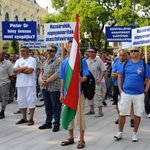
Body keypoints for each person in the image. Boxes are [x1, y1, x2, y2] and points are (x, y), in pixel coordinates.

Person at [114, 46, 150, 142]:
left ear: (139, 53)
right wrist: (120, 90)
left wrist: (145, 92)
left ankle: (135, 133)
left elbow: (149, 79)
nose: (133, 52)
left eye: (135, 51)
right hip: (126, 93)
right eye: (131, 51)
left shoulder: (144, 65)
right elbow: (120, 76)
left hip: (139, 94)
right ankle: (120, 132)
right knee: (122, 113)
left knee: (138, 114)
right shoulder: (126, 64)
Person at [59, 40, 89, 148]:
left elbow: (86, 75)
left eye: (75, 47)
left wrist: (82, 79)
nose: (72, 49)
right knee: (68, 115)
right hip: (67, 95)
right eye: (70, 46)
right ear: (67, 48)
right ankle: (70, 137)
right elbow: (62, 79)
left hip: (78, 94)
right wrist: (62, 93)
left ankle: (81, 139)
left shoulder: (82, 62)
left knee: (79, 117)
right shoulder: (64, 62)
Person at [39, 45, 62, 132]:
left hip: (54, 88)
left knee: (55, 106)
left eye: (51, 51)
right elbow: (41, 72)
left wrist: (47, 81)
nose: (49, 52)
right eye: (48, 50)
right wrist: (41, 80)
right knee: (47, 106)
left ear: (55, 52)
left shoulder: (58, 61)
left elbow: (57, 74)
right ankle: (48, 122)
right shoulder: (45, 62)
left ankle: (56, 123)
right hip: (44, 88)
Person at [13, 46, 37, 126]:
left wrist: (20, 69)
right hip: (20, 84)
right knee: (21, 101)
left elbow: (30, 71)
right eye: (21, 51)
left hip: (29, 84)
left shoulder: (32, 60)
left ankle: (31, 118)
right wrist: (24, 68)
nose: (22, 52)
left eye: (23, 51)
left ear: (27, 51)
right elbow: (13, 70)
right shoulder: (19, 60)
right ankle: (24, 118)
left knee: (31, 100)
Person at [85, 47, 106, 117]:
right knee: (89, 96)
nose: (90, 53)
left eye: (92, 52)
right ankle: (92, 110)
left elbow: (104, 70)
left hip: (96, 81)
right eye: (89, 51)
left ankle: (100, 111)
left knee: (98, 96)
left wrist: (100, 79)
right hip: (88, 82)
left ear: (95, 53)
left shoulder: (99, 61)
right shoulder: (86, 61)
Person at [111, 50, 126, 124]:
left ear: (126, 56)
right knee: (116, 101)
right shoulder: (116, 64)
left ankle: (129, 117)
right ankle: (119, 116)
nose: (122, 57)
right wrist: (121, 74)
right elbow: (113, 75)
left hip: (126, 86)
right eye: (120, 55)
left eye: (123, 55)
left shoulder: (128, 64)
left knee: (126, 102)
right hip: (117, 85)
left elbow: (128, 74)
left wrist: (118, 73)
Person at [0, 51, 14, 119]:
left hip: (4, 83)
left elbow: (11, 75)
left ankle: (2, 111)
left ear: (3, 56)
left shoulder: (8, 64)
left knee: (4, 98)